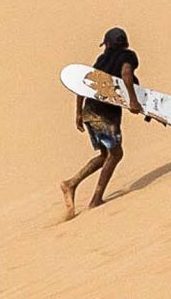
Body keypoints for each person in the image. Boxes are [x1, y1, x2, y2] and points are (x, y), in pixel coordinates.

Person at [61, 27, 145, 219]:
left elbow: (84, 83)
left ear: (107, 44)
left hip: (90, 110)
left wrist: (78, 113)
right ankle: (96, 199)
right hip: (105, 113)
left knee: (106, 154)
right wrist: (133, 100)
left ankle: (70, 184)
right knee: (116, 153)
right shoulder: (128, 56)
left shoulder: (101, 60)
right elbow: (126, 74)